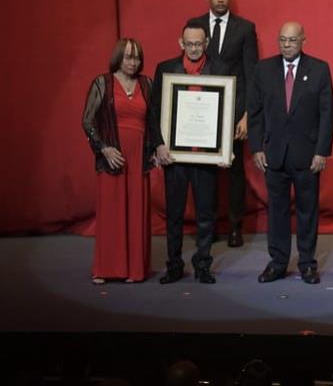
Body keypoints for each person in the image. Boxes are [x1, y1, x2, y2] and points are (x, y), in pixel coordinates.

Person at [248, 22, 333, 284]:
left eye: (292, 40)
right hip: (274, 154)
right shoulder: (263, 70)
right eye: (282, 40)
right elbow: (255, 113)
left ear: (303, 41)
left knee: (308, 211)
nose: (286, 45)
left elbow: (327, 114)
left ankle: (307, 263)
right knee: (277, 212)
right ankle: (277, 263)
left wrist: (322, 152)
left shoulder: (319, 69)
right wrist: (256, 147)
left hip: (307, 156)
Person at [149, 22, 230, 284]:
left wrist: (225, 148)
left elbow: (226, 113)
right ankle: (174, 264)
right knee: (174, 214)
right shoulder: (165, 69)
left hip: (206, 156)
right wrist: (159, 145)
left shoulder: (219, 69)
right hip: (174, 156)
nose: (194, 49)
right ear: (181, 43)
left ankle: (203, 264)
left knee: (206, 214)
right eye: (189, 44)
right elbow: (154, 111)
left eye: (199, 44)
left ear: (206, 43)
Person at [188, 0, 258, 248]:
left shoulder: (245, 28)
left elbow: (252, 74)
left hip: (235, 110)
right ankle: (208, 225)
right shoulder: (194, 26)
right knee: (203, 171)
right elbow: (187, 68)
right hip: (201, 110)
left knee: (235, 171)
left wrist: (247, 115)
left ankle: (235, 227)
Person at [82, 38, 153, 284]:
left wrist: (155, 149)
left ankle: (134, 269)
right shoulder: (103, 83)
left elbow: (154, 121)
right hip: (113, 157)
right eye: (128, 57)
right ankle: (105, 268)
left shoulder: (147, 84)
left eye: (136, 57)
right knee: (111, 212)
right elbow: (88, 122)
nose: (133, 62)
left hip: (139, 158)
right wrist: (104, 149)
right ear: (118, 58)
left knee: (136, 212)